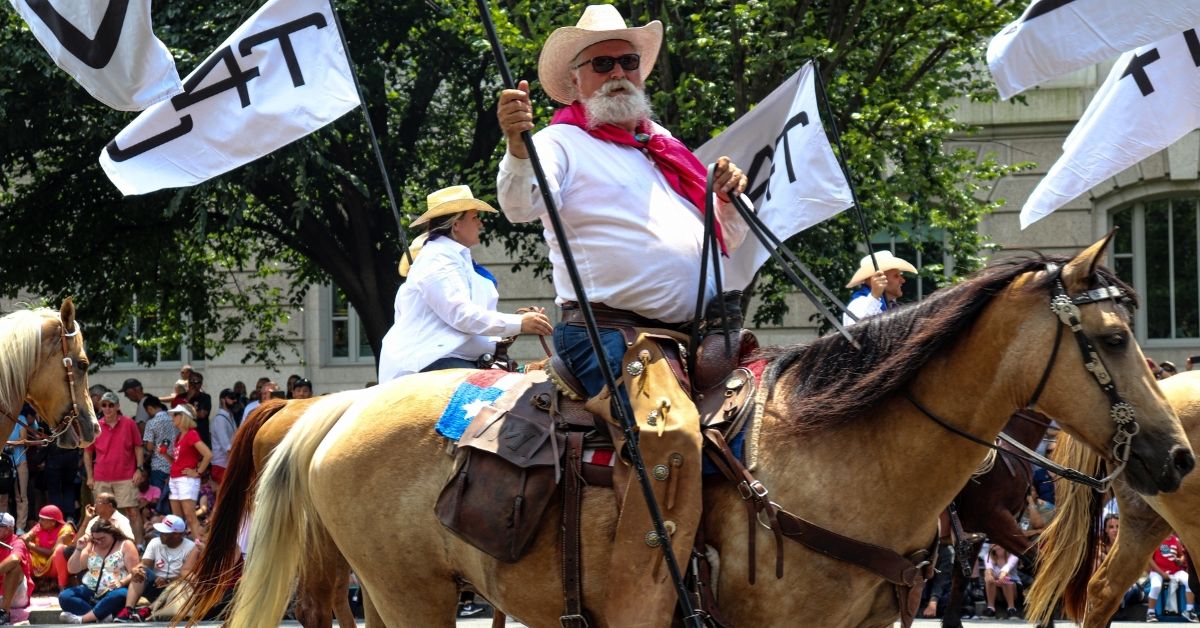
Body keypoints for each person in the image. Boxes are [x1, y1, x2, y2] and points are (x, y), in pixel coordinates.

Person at [495, 5, 750, 623]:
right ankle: (645, 608)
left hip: (695, 335)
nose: (617, 73)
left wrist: (728, 200)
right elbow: (520, 202)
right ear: (575, 80)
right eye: (601, 62)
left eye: (627, 61)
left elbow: (728, 241)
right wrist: (515, 143)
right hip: (609, 333)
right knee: (670, 435)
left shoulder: (665, 149)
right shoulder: (559, 142)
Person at [376, 185, 553, 381]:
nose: (481, 224)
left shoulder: (455, 259)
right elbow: (461, 315)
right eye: (474, 217)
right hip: (429, 363)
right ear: (456, 225)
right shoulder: (437, 260)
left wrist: (508, 332)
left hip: (458, 361)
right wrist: (519, 323)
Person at [84, 392, 143, 547]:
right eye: (104, 405)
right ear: (100, 407)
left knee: (132, 512)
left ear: (117, 406)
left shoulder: (129, 423)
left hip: (126, 476)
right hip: (102, 477)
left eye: (111, 405)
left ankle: (139, 545)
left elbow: (138, 447)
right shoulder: (95, 426)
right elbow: (87, 452)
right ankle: (106, 546)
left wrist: (139, 469)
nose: (107, 408)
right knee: (102, 514)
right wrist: (90, 476)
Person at [113, 515, 197, 623]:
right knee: (141, 572)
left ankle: (147, 611)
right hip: (155, 584)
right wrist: (135, 571)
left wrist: (168, 580)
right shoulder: (155, 542)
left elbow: (188, 574)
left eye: (165, 533)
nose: (161, 535)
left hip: (176, 588)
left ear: (177, 535)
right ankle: (128, 610)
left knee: (181, 584)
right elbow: (144, 565)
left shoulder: (191, 547)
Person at [58, 519, 140, 624]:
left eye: (102, 538)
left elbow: (135, 572)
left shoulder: (126, 544)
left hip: (113, 590)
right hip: (91, 589)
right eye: (96, 539)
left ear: (112, 533)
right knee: (65, 596)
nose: (99, 542)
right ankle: (100, 616)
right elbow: (73, 569)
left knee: (120, 596)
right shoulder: (91, 545)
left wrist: (121, 582)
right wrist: (78, 549)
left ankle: (85, 618)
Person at [164, 405, 211, 541]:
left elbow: (208, 454)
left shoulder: (191, 434)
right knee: (177, 519)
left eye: (175, 414)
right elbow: (177, 462)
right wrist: (164, 454)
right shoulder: (179, 436)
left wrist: (197, 472)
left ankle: (198, 550)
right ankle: (183, 549)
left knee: (190, 517)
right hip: (176, 479)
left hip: (186, 480)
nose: (172, 417)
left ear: (183, 416)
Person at [842, 250, 917, 325]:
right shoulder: (857, 305)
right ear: (876, 279)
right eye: (896, 276)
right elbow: (859, 331)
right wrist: (874, 296)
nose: (903, 280)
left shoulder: (894, 307)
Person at [1147, 532, 1197, 622]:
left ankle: (1189, 611)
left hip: (1175, 571)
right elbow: (1149, 559)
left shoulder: (1175, 540)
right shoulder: (1156, 539)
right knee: (1156, 586)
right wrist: (1162, 573)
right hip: (1157, 571)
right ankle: (1150, 612)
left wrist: (1180, 560)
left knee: (1190, 582)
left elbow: (1181, 555)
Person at [23, 505, 74, 592]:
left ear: (53, 522)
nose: (39, 522)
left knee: (60, 550)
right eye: (40, 519)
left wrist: (30, 545)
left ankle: (62, 586)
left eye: (42, 519)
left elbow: (51, 553)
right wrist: (26, 538)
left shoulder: (66, 530)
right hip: (38, 563)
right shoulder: (40, 526)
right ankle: (25, 587)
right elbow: (25, 538)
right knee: (20, 551)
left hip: (54, 565)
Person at [0, 405, 34, 534]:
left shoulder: (20, 419)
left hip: (20, 460)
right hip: (4, 462)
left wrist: (8, 443)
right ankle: (3, 526)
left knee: (21, 496)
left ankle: (20, 527)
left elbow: (23, 439)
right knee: (2, 496)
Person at [140, 396, 176, 515]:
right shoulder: (174, 419)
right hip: (174, 465)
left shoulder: (151, 423)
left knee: (159, 499)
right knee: (173, 498)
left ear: (150, 408)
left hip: (158, 465)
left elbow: (149, 447)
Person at [0, 513, 32, 624]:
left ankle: (4, 612)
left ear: (9, 528)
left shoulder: (18, 542)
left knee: (14, 568)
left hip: (15, 596)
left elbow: (14, 559)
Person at [982, 543, 1020, 619]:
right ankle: (991, 608)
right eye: (993, 543)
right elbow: (988, 568)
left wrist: (1001, 577)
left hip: (1014, 586)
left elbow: (1007, 568)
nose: (996, 545)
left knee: (1006, 576)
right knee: (988, 574)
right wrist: (990, 576)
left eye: (999, 543)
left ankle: (1011, 608)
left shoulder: (1014, 555)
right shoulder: (988, 556)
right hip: (996, 586)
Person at [209, 391, 239, 486]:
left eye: (235, 398)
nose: (235, 400)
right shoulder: (220, 419)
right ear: (223, 400)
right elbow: (227, 448)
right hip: (221, 466)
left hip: (227, 466)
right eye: (231, 398)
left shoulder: (230, 416)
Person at [184, 372, 212, 447]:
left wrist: (186, 414)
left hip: (201, 437)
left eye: (196, 382)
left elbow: (202, 414)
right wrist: (188, 398)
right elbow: (179, 414)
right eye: (191, 381)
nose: (193, 385)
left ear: (201, 384)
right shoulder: (182, 397)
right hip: (187, 437)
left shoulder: (205, 397)